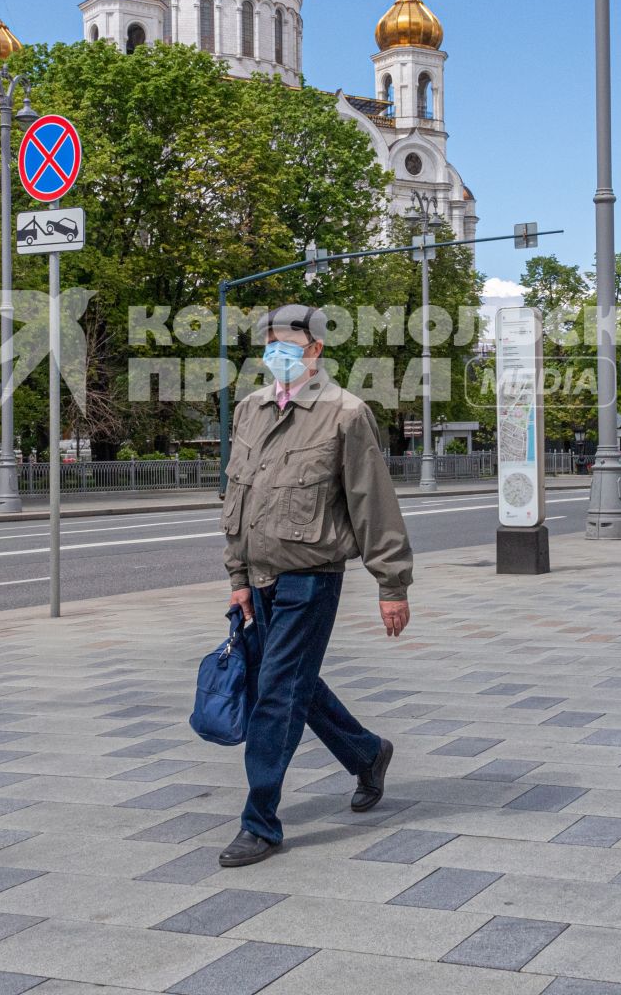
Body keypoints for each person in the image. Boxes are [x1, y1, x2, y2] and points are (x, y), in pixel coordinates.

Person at [215, 304, 412, 868]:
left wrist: (392, 583)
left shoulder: (346, 414)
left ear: (316, 350)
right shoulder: (251, 409)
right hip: (260, 576)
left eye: (289, 343)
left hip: (310, 578)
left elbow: (373, 504)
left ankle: (260, 822)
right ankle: (367, 753)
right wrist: (237, 576)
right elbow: (239, 498)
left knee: (277, 692)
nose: (277, 352)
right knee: (291, 681)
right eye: (269, 343)